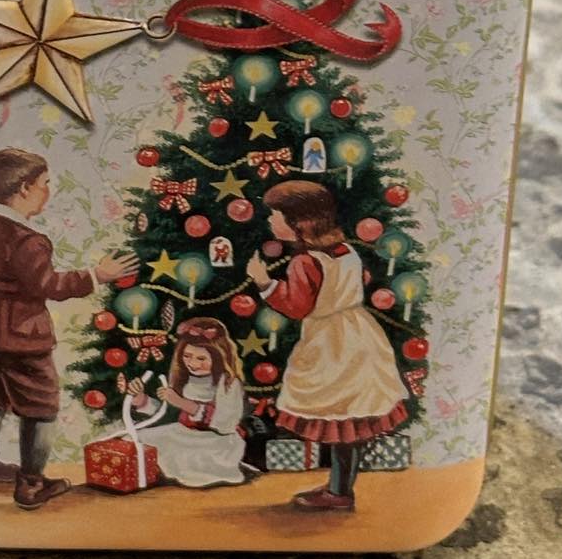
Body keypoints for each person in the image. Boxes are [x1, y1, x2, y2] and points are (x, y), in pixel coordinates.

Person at [0, 148, 136, 509]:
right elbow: (48, 285)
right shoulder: (27, 240)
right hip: (22, 338)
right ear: (25, 188)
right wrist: (97, 275)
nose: (48, 191)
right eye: (45, 183)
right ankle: (31, 484)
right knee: (41, 405)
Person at [246, 178, 407, 512]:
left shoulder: (305, 262)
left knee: (339, 413)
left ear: (298, 222)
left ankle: (339, 492)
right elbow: (360, 281)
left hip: (329, 342)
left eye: (275, 215)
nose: (270, 221)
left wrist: (263, 282)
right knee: (352, 415)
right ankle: (340, 486)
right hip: (359, 333)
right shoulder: (347, 251)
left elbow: (297, 306)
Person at [125, 316, 248, 487]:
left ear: (219, 357)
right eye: (187, 356)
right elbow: (167, 413)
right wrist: (141, 400)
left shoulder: (229, 383)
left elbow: (225, 424)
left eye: (201, 359)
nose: (193, 363)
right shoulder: (184, 379)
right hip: (184, 433)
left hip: (216, 441)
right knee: (135, 438)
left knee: (190, 460)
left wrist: (181, 402)